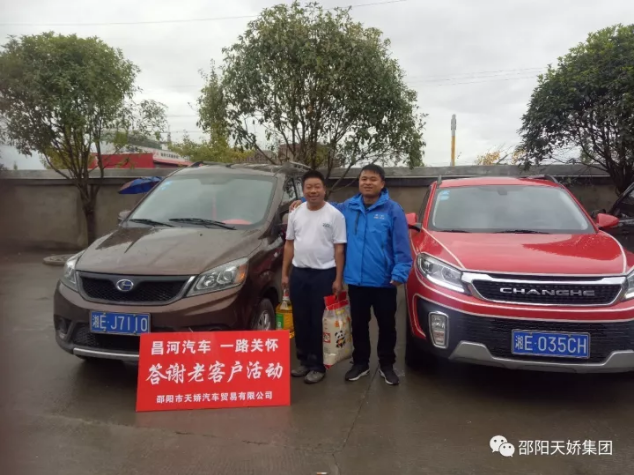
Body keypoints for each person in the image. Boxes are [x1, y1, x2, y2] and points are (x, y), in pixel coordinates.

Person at [290, 164, 413, 385]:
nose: (367, 183)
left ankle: (386, 364)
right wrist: (302, 200)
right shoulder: (349, 207)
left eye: (373, 179)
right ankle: (361, 363)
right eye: (364, 179)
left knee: (386, 326)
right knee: (358, 325)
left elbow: (402, 245)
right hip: (357, 281)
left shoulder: (393, 210)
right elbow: (326, 206)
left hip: (385, 281)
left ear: (382, 184)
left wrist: (400, 273)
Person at [282, 169, 347, 384]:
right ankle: (304, 361)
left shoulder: (334, 215)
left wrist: (338, 278)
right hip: (299, 273)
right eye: (308, 187)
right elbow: (289, 244)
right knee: (300, 319)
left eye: (317, 187)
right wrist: (285, 274)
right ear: (303, 190)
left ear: (324, 189)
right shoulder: (296, 213)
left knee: (319, 321)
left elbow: (339, 249)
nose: (313, 191)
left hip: (324, 275)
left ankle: (318, 365)